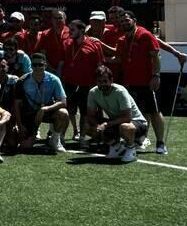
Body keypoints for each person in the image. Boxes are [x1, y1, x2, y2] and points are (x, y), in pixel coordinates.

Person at [114, 11, 169, 154]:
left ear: (134, 20)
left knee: (155, 112)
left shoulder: (145, 35)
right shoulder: (122, 39)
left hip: (147, 82)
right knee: (138, 114)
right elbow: (118, 59)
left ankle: (161, 143)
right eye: (122, 21)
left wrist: (156, 75)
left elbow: (156, 55)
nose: (124, 23)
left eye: (127, 20)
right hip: (130, 83)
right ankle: (140, 139)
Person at [85, 65, 148, 163]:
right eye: (99, 81)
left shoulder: (120, 91)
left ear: (111, 80)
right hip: (116, 122)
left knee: (125, 127)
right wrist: (97, 126)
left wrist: (105, 124)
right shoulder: (93, 92)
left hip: (136, 121)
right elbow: (90, 115)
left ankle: (131, 149)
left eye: (105, 81)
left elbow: (127, 117)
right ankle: (117, 147)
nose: (102, 84)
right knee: (87, 126)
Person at [62, 19, 106, 146]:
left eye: (72, 29)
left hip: (87, 84)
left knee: (85, 112)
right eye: (69, 29)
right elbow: (62, 63)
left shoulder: (94, 44)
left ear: (81, 30)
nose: (69, 32)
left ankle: (82, 137)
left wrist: (98, 84)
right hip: (69, 83)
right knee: (69, 110)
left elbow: (100, 65)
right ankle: (68, 134)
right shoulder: (66, 43)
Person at [16, 52, 70, 154]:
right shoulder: (22, 81)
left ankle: (55, 139)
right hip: (30, 113)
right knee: (25, 146)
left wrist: (45, 109)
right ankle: (33, 133)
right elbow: (16, 105)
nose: (37, 67)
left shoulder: (54, 79)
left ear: (45, 65)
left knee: (63, 113)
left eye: (40, 65)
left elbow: (63, 102)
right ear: (31, 66)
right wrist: (20, 125)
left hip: (46, 111)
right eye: (34, 65)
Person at [35, 10, 71, 77]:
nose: (57, 20)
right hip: (50, 70)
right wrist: (50, 69)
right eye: (55, 18)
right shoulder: (45, 34)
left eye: (60, 18)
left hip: (68, 71)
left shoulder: (71, 33)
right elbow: (43, 54)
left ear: (65, 20)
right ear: (52, 20)